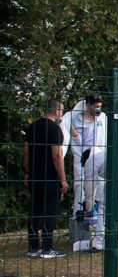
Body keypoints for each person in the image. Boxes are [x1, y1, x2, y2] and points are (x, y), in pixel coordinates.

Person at [23, 99, 69, 258]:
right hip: (50, 175)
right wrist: (63, 179)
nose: (61, 114)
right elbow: (57, 156)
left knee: (35, 210)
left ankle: (33, 245)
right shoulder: (54, 129)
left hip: (35, 174)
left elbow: (27, 151)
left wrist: (28, 171)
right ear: (56, 112)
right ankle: (48, 247)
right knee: (50, 210)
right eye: (61, 111)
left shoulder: (33, 126)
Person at [69, 95, 107, 215]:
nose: (98, 109)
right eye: (95, 106)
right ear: (88, 105)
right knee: (82, 187)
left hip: (100, 157)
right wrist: (74, 133)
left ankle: (98, 219)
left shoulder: (102, 118)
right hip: (84, 158)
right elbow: (78, 142)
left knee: (100, 188)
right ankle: (79, 217)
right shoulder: (76, 119)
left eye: (100, 107)